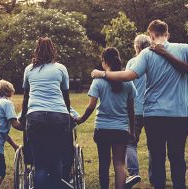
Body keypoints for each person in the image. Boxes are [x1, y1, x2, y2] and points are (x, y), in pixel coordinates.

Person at [91, 20, 188, 189]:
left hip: (154, 114)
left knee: (156, 156)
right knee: (177, 156)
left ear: (150, 35)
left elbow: (128, 76)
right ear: (168, 34)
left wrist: (103, 74)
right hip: (179, 114)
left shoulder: (147, 53)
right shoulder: (184, 48)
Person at [76, 47, 136, 189]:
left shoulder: (98, 82)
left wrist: (81, 119)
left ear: (104, 62)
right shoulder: (128, 82)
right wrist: (132, 130)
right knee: (119, 164)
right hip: (120, 129)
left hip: (102, 128)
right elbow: (131, 109)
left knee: (104, 163)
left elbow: (91, 106)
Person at [20, 37, 71, 189]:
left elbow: (25, 98)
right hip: (58, 116)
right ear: (52, 50)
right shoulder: (61, 68)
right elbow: (66, 97)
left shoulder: (29, 69)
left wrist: (23, 118)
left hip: (36, 117)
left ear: (36, 50)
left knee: (40, 164)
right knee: (56, 160)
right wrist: (68, 117)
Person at [124, 34, 151, 188]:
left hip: (135, 110)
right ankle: (155, 176)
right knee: (154, 144)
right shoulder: (155, 62)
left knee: (130, 143)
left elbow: (127, 85)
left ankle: (134, 174)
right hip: (152, 110)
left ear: (138, 46)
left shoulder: (132, 62)